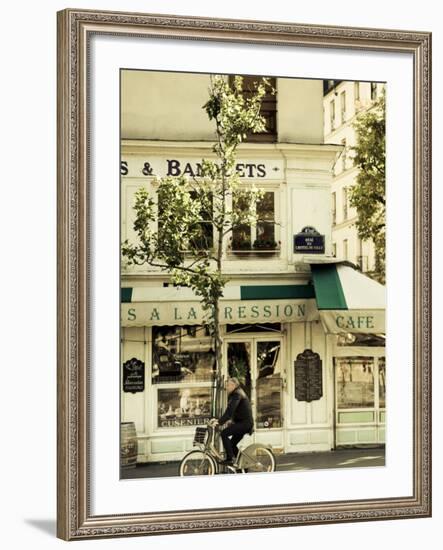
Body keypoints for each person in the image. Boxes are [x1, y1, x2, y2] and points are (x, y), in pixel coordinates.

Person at [216, 377, 254, 465]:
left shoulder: (237, 394)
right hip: (243, 423)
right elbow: (234, 411)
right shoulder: (236, 393)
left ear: (233, 385)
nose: (226, 388)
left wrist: (219, 422)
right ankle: (242, 466)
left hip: (244, 424)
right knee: (232, 444)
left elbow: (230, 412)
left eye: (228, 385)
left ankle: (230, 459)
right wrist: (225, 421)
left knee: (224, 433)